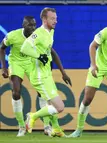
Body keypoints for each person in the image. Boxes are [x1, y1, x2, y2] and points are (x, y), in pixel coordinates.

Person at [0, 16, 69, 137]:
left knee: (43, 94)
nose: (32, 28)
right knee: (16, 92)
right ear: (23, 25)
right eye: (29, 25)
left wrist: (62, 71)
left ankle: (47, 126)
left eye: (34, 25)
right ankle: (22, 127)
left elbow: (51, 51)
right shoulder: (12, 35)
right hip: (16, 63)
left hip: (32, 63)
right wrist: (4, 67)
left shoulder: (38, 36)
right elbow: (2, 48)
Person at [20, 7, 72, 137]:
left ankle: (56, 129)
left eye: (56, 19)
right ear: (44, 19)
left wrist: (62, 72)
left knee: (50, 104)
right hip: (39, 76)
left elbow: (49, 51)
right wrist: (38, 55)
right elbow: (24, 47)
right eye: (52, 19)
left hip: (46, 74)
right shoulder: (39, 33)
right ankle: (33, 116)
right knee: (59, 107)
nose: (55, 21)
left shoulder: (50, 32)